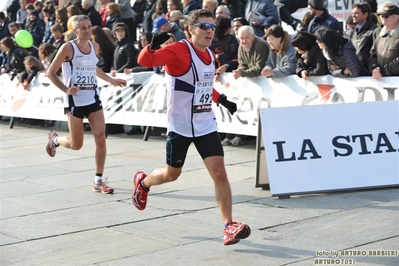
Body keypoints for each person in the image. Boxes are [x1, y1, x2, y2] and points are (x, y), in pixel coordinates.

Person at [135, 9, 250, 246]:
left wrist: (221, 99)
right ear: (190, 29)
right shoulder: (179, 50)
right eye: (204, 27)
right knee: (172, 174)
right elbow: (144, 61)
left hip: (205, 122)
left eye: (212, 27)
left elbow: (202, 86)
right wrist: (154, 44)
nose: (210, 31)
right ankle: (144, 183)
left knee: (219, 171)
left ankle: (228, 226)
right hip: (181, 125)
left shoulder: (210, 53)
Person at [45, 15, 127, 194]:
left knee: (101, 139)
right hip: (75, 101)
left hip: (93, 99)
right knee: (76, 144)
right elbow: (50, 72)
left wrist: (111, 80)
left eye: (89, 26)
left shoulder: (94, 46)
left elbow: (93, 67)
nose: (88, 30)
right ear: (75, 31)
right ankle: (55, 140)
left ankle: (98, 181)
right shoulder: (68, 47)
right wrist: (66, 89)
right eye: (83, 27)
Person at [369, 4, 399, 78]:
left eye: (386, 16)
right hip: (382, 80)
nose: (382, 17)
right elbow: (372, 54)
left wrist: (383, 71)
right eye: (381, 15)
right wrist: (374, 67)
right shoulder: (380, 34)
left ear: (396, 18)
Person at [351, 2, 377, 70]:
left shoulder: (374, 31)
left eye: (356, 13)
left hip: (368, 72)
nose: (353, 15)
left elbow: (375, 53)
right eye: (352, 13)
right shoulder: (353, 32)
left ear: (365, 14)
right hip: (355, 70)